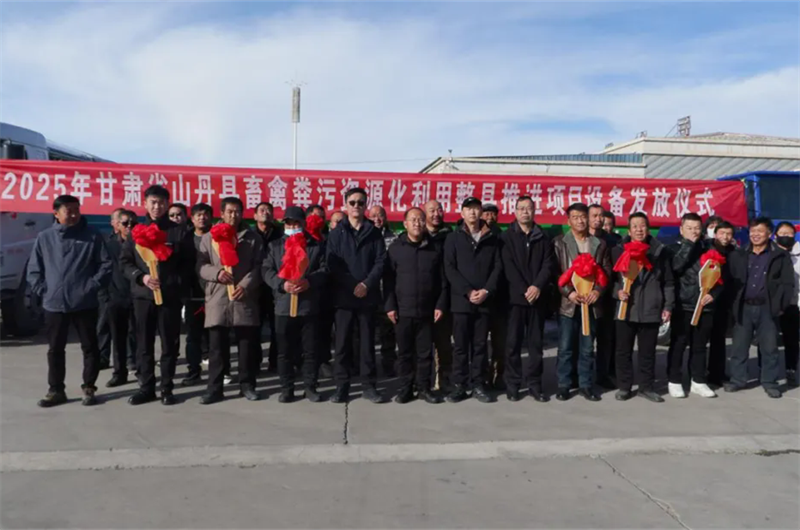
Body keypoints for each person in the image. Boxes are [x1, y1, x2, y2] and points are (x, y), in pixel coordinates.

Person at [27, 195, 112, 407]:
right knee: (55, 349)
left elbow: (106, 264)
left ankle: (89, 387)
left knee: (90, 347)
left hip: (85, 302)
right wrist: (44, 290)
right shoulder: (45, 237)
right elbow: (34, 269)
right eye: (68, 211)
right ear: (56, 214)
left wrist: (91, 286)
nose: (74, 215)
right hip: (54, 303)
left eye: (76, 210)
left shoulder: (92, 235)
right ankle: (56, 390)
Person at [121, 185, 192, 406]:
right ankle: (146, 388)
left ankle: (167, 388)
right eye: (153, 202)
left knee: (169, 344)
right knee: (144, 344)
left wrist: (172, 282)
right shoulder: (136, 231)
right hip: (143, 297)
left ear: (167, 204)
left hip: (169, 297)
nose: (157, 206)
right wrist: (141, 277)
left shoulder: (179, 232)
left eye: (161, 202)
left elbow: (188, 265)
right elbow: (125, 262)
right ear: (145, 204)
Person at [196, 197, 263, 404]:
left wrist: (246, 285)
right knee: (217, 348)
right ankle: (215, 389)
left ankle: (247, 385)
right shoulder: (209, 237)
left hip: (244, 297)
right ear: (222, 213)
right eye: (230, 212)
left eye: (237, 212)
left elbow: (259, 266)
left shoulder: (252, 238)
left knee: (246, 347)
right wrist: (216, 274)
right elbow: (200, 265)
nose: (234, 215)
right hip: (218, 297)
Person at [326, 188, 387, 403]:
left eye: (360, 203)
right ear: (345, 205)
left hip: (367, 297)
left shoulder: (374, 233)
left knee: (367, 344)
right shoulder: (336, 233)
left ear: (365, 206)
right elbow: (332, 264)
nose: (356, 206)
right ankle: (342, 387)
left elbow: (380, 262)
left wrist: (366, 284)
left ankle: (369, 386)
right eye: (352, 202)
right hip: (344, 297)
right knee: (342, 344)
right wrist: (353, 285)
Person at [263, 206, 327, 403]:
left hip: (308, 306)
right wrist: (281, 284)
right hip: (283, 306)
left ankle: (310, 387)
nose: (292, 226)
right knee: (284, 352)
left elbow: (325, 270)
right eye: (288, 223)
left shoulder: (315, 246)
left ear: (304, 224)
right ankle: (287, 388)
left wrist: (310, 281)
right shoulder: (275, 246)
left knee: (310, 351)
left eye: (296, 223)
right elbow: (266, 270)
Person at [726, 218, 795, 398]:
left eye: (760, 231)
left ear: (769, 234)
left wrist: (780, 306)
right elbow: (731, 281)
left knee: (770, 348)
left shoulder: (780, 255)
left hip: (768, 308)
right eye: (752, 231)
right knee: (739, 347)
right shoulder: (739, 254)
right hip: (744, 307)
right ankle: (738, 380)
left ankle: (769, 382)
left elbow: (787, 283)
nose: (755, 234)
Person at [384, 207, 446, 404]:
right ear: (405, 224)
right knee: (404, 354)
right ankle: (405, 388)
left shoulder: (434, 249)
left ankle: (424, 388)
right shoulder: (395, 249)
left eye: (420, 219)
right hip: (403, 311)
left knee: (425, 353)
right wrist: (390, 306)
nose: (417, 223)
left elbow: (442, 281)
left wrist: (440, 305)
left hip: (427, 311)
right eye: (413, 220)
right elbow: (388, 281)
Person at [443, 197, 502, 403]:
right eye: (469, 209)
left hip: (484, 301)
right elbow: (449, 267)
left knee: (480, 346)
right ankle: (459, 385)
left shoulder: (492, 237)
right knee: (460, 346)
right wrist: (467, 291)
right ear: (462, 213)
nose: (473, 213)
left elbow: (498, 267)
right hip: (461, 302)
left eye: (476, 209)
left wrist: (486, 290)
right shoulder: (453, 238)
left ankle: (478, 384)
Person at [611, 213, 673, 403]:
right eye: (635, 226)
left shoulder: (659, 252)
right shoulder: (618, 251)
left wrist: (668, 306)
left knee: (647, 352)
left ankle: (646, 387)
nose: (639, 230)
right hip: (625, 308)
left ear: (648, 228)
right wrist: (617, 292)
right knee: (623, 351)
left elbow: (668, 282)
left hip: (650, 308)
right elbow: (610, 280)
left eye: (643, 226)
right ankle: (624, 387)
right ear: (629, 231)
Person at [553, 203, 611, 402]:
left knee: (587, 347)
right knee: (566, 347)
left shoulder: (599, 244)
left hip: (591, 304)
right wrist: (569, 293)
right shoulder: (559, 243)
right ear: (568, 221)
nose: (580, 221)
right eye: (575, 217)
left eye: (583, 217)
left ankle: (586, 385)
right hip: (568, 304)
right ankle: (564, 385)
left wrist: (597, 291)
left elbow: (606, 271)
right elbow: (555, 273)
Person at [500, 196, 554, 402]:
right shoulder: (507, 237)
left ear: (534, 211)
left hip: (537, 299)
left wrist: (537, 286)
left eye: (529, 208)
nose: (525, 212)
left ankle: (535, 384)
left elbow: (548, 265)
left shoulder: (543, 237)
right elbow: (508, 266)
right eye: (521, 208)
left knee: (536, 345)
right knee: (512, 344)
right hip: (515, 299)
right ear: (515, 211)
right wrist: (524, 289)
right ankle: (513, 384)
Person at [665, 213, 721, 399]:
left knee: (700, 345)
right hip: (683, 304)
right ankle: (674, 380)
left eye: (697, 228)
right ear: (681, 230)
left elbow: (720, 276)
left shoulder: (710, 248)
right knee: (679, 343)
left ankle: (698, 380)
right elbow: (675, 268)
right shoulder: (673, 248)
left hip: (704, 304)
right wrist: (689, 245)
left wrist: (713, 294)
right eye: (689, 228)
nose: (694, 232)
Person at [103, 209, 138, 388]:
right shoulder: (109, 245)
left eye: (133, 223)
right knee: (118, 338)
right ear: (117, 226)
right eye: (125, 223)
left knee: (139, 335)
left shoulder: (142, 244)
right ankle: (119, 372)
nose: (129, 226)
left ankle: (140, 369)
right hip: (116, 296)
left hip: (138, 295)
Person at [424, 199, 454, 391]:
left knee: (444, 344)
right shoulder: (417, 235)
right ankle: (423, 382)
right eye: (432, 210)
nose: (436, 214)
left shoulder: (450, 236)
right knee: (422, 345)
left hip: (445, 296)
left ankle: (444, 380)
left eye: (439, 210)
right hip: (422, 297)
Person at [588, 203, 618, 390]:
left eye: (601, 216)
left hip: (606, 296)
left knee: (605, 339)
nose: (598, 219)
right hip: (584, 296)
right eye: (594, 215)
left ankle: (603, 374)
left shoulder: (613, 241)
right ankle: (580, 375)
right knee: (584, 339)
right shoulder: (582, 238)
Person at [182, 203, 212, 387]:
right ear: (192, 219)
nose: (202, 218)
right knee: (193, 336)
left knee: (215, 336)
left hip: (214, 294)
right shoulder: (185, 239)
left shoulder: (218, 237)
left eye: (205, 214)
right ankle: (193, 372)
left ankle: (219, 372)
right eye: (198, 215)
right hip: (192, 294)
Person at [254, 201, 284, 374]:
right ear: (255, 215)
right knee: (255, 329)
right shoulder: (250, 234)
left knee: (276, 328)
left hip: (276, 287)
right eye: (262, 210)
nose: (265, 212)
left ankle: (274, 362)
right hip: (255, 288)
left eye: (269, 210)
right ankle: (255, 362)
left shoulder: (281, 234)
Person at [368, 205, 398, 377]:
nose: (377, 219)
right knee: (367, 333)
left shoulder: (394, 238)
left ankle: (388, 364)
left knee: (388, 331)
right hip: (368, 291)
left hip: (386, 291)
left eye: (380, 215)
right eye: (373, 216)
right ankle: (368, 365)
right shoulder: (364, 237)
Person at [707, 220, 737, 387]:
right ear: (715, 234)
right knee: (699, 340)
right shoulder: (706, 248)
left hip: (725, 302)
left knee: (719, 340)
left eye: (729, 234)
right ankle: (696, 373)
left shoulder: (735, 252)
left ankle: (716, 373)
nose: (725, 237)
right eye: (722, 233)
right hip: (706, 299)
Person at [481, 203, 507, 390]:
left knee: (500, 342)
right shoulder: (475, 236)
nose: (489, 217)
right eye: (486, 214)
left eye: (493, 214)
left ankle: (499, 376)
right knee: (480, 342)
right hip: (481, 298)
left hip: (500, 299)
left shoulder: (502, 237)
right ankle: (482, 377)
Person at [97, 208, 125, 370]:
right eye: (118, 219)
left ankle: (128, 360)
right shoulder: (105, 241)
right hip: (107, 288)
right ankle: (102, 357)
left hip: (123, 288)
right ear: (113, 223)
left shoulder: (130, 241)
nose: (122, 223)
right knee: (103, 324)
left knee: (125, 329)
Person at [775, 222, 799, 386]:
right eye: (782, 233)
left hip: (793, 303)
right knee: (768, 339)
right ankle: (766, 370)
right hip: (773, 304)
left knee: (792, 338)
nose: (785, 236)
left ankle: (791, 368)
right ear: (775, 235)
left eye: (789, 233)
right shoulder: (770, 252)